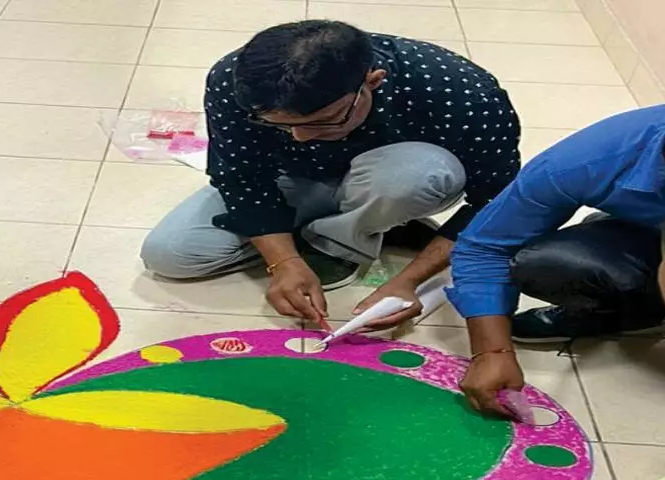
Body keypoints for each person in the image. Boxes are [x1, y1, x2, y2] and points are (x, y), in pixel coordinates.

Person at [141, 20, 520, 331]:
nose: (302, 137)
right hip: (291, 179)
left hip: (392, 176)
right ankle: (364, 223)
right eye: (280, 126)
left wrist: (410, 279)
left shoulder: (456, 89)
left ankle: (349, 232)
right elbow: (240, 175)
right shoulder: (233, 81)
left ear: (372, 80)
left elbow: (497, 201)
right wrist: (283, 262)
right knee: (171, 254)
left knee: (422, 175)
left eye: (325, 121)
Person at [449, 107, 665, 417]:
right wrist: (492, 350)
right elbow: (485, 246)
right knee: (550, 263)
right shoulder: (591, 158)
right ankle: (639, 312)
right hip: (644, 230)